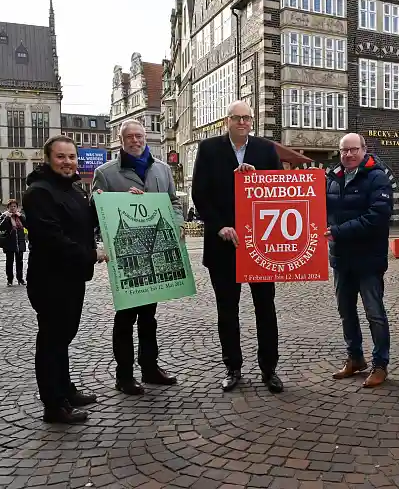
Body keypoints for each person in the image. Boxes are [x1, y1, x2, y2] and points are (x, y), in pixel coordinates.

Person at [191, 100, 284, 393]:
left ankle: (269, 369)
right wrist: (220, 226)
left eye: (247, 118)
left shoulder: (266, 150)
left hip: (260, 245)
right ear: (226, 121)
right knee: (227, 310)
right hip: (223, 244)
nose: (242, 122)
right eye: (237, 118)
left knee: (265, 308)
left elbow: (280, 191)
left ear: (252, 121)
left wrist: (258, 179)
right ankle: (232, 367)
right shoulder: (209, 149)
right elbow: (200, 194)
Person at [23, 135, 108, 424]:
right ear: (47, 159)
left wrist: (122, 202)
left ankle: (65, 389)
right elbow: (52, 239)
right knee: (51, 341)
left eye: (71, 157)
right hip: (50, 280)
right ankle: (53, 405)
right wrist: (92, 254)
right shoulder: (39, 192)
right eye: (61, 157)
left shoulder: (74, 191)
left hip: (72, 278)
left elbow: (86, 222)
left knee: (64, 337)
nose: (68, 162)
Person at [92, 120, 181, 395]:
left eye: (139, 136)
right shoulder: (105, 173)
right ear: (121, 140)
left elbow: (174, 202)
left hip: (155, 251)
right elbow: (95, 212)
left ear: (146, 138)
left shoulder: (163, 169)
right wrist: (114, 203)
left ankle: (150, 367)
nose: (135, 140)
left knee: (149, 317)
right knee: (125, 317)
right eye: (129, 137)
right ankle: (124, 375)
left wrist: (175, 224)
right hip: (126, 255)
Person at [326, 133, 393, 388]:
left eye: (354, 149)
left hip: (368, 258)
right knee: (346, 312)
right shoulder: (333, 178)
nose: (349, 155)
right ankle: (355, 358)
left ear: (364, 150)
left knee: (374, 313)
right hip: (341, 258)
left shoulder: (377, 177)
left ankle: (380, 364)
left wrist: (338, 231)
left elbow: (378, 216)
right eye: (344, 150)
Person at [0, 200, 28, 286]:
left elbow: (27, 224)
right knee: (9, 262)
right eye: (11, 206)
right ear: (8, 208)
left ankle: (20, 279)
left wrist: (21, 217)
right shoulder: (4, 216)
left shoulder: (20, 216)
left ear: (17, 208)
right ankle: (10, 280)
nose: (13, 208)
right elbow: (1, 227)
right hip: (9, 242)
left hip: (19, 242)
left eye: (14, 206)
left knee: (20, 261)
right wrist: (7, 217)